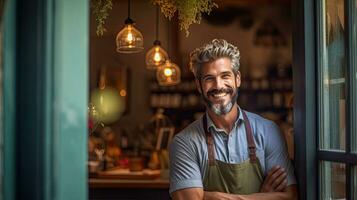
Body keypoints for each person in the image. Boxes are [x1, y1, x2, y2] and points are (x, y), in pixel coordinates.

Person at [169, 39, 297, 200]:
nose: (218, 85)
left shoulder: (268, 131)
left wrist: (210, 196)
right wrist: (262, 196)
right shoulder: (184, 142)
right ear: (198, 85)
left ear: (237, 79)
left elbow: (290, 197)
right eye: (209, 78)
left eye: (225, 76)